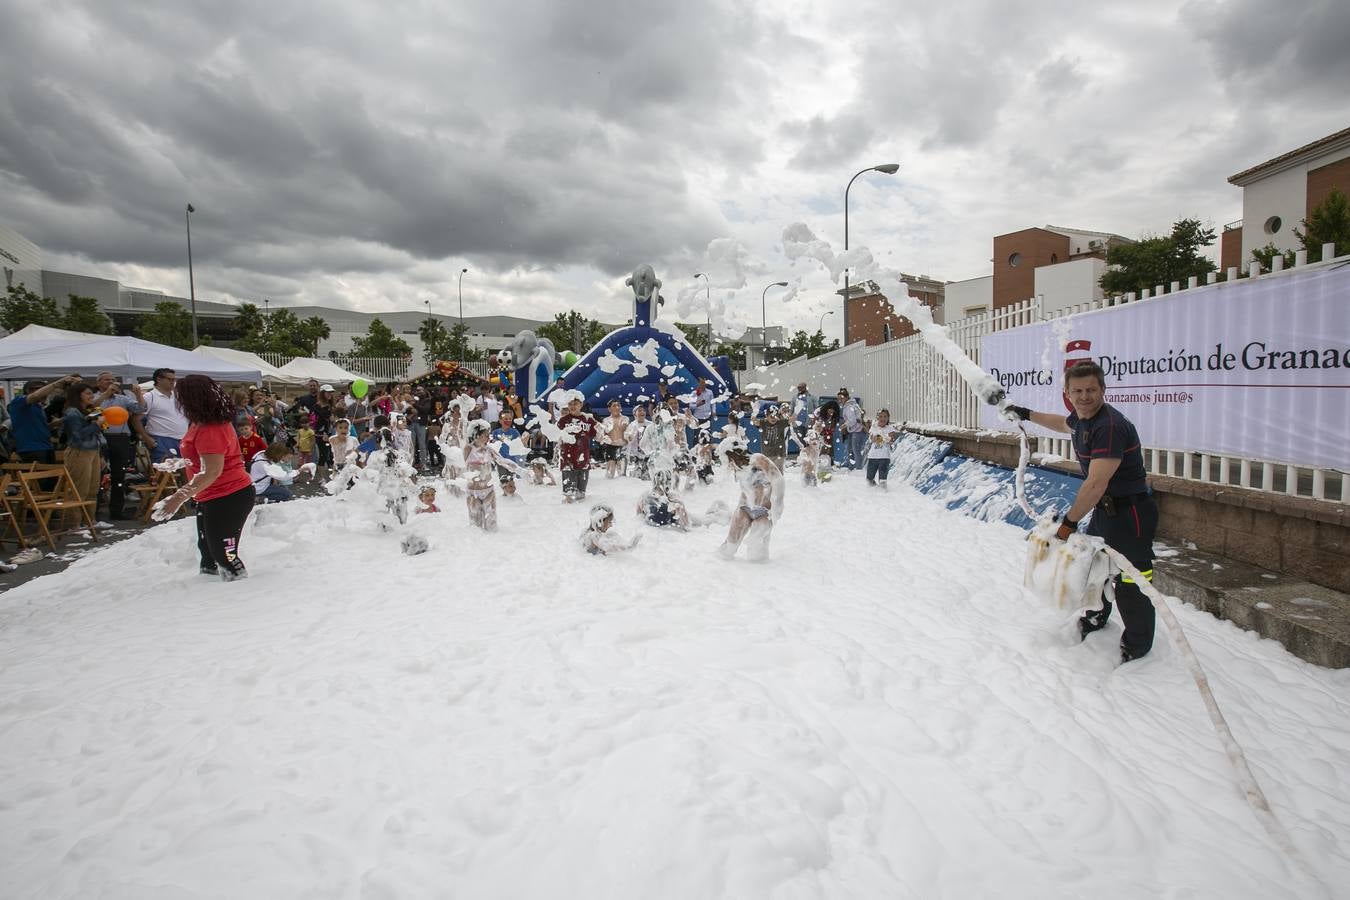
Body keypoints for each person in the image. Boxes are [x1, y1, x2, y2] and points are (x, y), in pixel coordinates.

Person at [1006, 360, 1159, 663]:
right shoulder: (1081, 418)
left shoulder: (1109, 427)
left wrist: (1069, 523)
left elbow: (1095, 484)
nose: (1084, 396)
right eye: (1077, 391)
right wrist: (1026, 414)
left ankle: (1137, 645)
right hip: (1106, 511)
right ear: (1067, 393)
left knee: (1131, 581)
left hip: (1131, 515)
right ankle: (1096, 617)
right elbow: (1062, 423)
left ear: (1103, 389)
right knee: (1094, 569)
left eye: (1091, 389)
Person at [155, 375, 256, 581]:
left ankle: (242, 595)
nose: (177, 399)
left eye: (180, 395)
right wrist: (182, 462)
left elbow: (212, 471)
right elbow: (204, 458)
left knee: (225, 554)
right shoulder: (200, 422)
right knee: (208, 553)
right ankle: (207, 595)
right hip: (210, 496)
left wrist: (177, 498)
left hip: (230, 496)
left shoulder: (212, 428)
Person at [717, 442, 784, 562]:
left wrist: (777, 507)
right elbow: (746, 490)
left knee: (757, 554)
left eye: (726, 459)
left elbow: (778, 480)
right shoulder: (738, 468)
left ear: (733, 456)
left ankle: (759, 575)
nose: (726, 463)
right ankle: (718, 566)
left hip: (764, 510)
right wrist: (739, 509)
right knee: (729, 546)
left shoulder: (757, 459)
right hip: (745, 507)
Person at [95, 372, 148, 519]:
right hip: (101, 438)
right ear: (99, 383)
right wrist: (106, 394)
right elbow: (91, 408)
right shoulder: (94, 397)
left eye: (113, 380)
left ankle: (117, 511)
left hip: (120, 438)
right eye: (107, 380)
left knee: (119, 475)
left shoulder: (123, 399)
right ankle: (94, 511)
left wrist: (138, 395)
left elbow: (140, 409)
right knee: (98, 475)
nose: (111, 382)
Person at [8, 374, 79, 466]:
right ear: (28, 390)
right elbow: (35, 396)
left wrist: (53, 424)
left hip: (46, 447)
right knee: (39, 479)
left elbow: (37, 428)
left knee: (51, 479)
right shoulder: (18, 402)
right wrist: (57, 383)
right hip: (32, 449)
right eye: (41, 389)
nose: (46, 393)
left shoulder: (38, 406)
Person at [61, 382, 104, 513]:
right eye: (88, 393)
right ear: (78, 395)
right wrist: (96, 425)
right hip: (79, 451)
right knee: (80, 488)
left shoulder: (90, 410)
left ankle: (90, 521)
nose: (91, 396)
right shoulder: (72, 412)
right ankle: (74, 524)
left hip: (93, 450)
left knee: (93, 488)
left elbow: (100, 431)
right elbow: (77, 435)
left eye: (92, 393)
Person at [556, 396, 597, 502]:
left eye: (575, 404)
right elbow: (555, 436)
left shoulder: (588, 419)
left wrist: (604, 435)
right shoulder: (563, 420)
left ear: (581, 405)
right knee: (568, 494)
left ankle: (580, 515)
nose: (573, 406)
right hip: (567, 459)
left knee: (581, 493)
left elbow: (597, 434)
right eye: (570, 404)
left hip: (583, 457)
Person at [144, 368, 189, 463]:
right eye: (170, 379)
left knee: (185, 470)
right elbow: (136, 419)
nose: (173, 382)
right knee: (164, 472)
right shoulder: (149, 396)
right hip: (161, 439)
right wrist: (146, 438)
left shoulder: (179, 396)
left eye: (174, 379)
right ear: (159, 379)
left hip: (183, 438)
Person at [864, 409, 902, 488]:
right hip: (872, 457)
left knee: (883, 480)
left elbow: (891, 440)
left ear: (888, 418)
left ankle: (883, 494)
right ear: (877, 418)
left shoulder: (890, 428)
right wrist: (884, 438)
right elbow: (872, 438)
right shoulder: (874, 427)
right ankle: (873, 493)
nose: (883, 418)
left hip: (884, 458)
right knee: (869, 479)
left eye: (885, 416)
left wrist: (881, 438)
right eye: (880, 416)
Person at [490, 409, 521, 497]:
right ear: (500, 420)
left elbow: (520, 444)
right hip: (501, 461)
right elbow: (491, 445)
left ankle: (512, 496)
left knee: (511, 480)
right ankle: (505, 495)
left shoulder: (514, 432)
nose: (508, 420)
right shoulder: (495, 432)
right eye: (505, 419)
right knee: (503, 480)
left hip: (511, 460)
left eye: (510, 419)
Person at [752, 405, 790, 472]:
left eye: (775, 416)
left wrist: (784, 413)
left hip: (779, 453)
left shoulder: (781, 422)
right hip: (767, 453)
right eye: (771, 416)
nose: (773, 418)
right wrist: (754, 413)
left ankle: (779, 482)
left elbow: (791, 420)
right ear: (766, 416)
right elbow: (754, 421)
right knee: (767, 472)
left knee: (778, 472)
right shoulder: (763, 423)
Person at [838, 389, 867, 471]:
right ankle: (851, 465)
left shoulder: (849, 406)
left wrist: (844, 425)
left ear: (846, 397)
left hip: (857, 430)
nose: (840, 400)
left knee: (855, 449)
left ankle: (858, 467)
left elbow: (852, 420)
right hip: (854, 430)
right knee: (850, 448)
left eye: (841, 398)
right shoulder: (852, 405)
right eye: (838, 399)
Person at [599, 400, 629, 479]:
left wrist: (623, 426)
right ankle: (609, 489)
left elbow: (625, 428)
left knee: (622, 474)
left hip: (622, 447)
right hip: (610, 447)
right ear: (609, 409)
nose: (617, 407)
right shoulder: (606, 420)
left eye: (618, 405)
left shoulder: (625, 418)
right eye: (614, 406)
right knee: (610, 473)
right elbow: (603, 434)